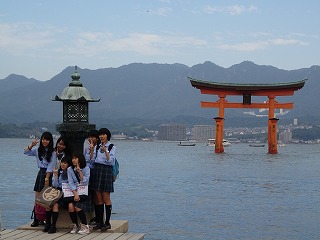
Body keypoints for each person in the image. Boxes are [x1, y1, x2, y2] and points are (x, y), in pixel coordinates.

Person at [24, 131, 56, 227]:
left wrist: (47, 179)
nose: (44, 141)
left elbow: (51, 166)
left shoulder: (53, 152)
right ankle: (36, 219)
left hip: (48, 174)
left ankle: (45, 219)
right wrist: (31, 145)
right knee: (37, 198)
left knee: (46, 198)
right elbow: (25, 152)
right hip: (40, 173)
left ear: (50, 141)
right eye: (43, 139)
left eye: (46, 139)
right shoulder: (38, 150)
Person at [92, 128, 116, 231]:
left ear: (107, 135)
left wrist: (105, 151)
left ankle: (107, 222)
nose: (102, 136)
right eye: (100, 135)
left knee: (106, 198)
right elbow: (92, 160)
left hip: (106, 171)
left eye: (104, 134)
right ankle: (100, 222)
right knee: (99, 199)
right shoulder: (97, 146)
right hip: (98, 170)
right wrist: (92, 150)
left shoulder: (112, 147)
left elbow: (111, 162)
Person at [64, 152, 90, 235]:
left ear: (80, 159)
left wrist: (80, 172)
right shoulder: (70, 169)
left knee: (77, 206)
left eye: (75, 158)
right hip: (74, 192)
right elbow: (70, 182)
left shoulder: (86, 168)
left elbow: (85, 182)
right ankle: (75, 225)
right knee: (71, 206)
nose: (73, 160)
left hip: (83, 192)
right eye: (73, 158)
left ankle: (85, 226)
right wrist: (75, 193)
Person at [47, 156, 72, 234]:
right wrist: (55, 176)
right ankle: (49, 224)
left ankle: (52, 225)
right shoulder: (59, 172)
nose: (63, 164)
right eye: (62, 162)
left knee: (56, 204)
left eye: (65, 163)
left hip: (68, 193)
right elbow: (55, 185)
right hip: (59, 192)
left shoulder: (70, 173)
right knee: (49, 204)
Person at [83, 129, 100, 226]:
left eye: (93, 137)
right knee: (90, 194)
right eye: (89, 137)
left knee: (96, 195)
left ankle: (98, 217)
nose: (91, 138)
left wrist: (93, 150)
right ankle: (93, 216)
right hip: (87, 172)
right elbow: (85, 161)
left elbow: (92, 161)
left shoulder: (98, 148)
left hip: (94, 172)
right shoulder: (86, 148)